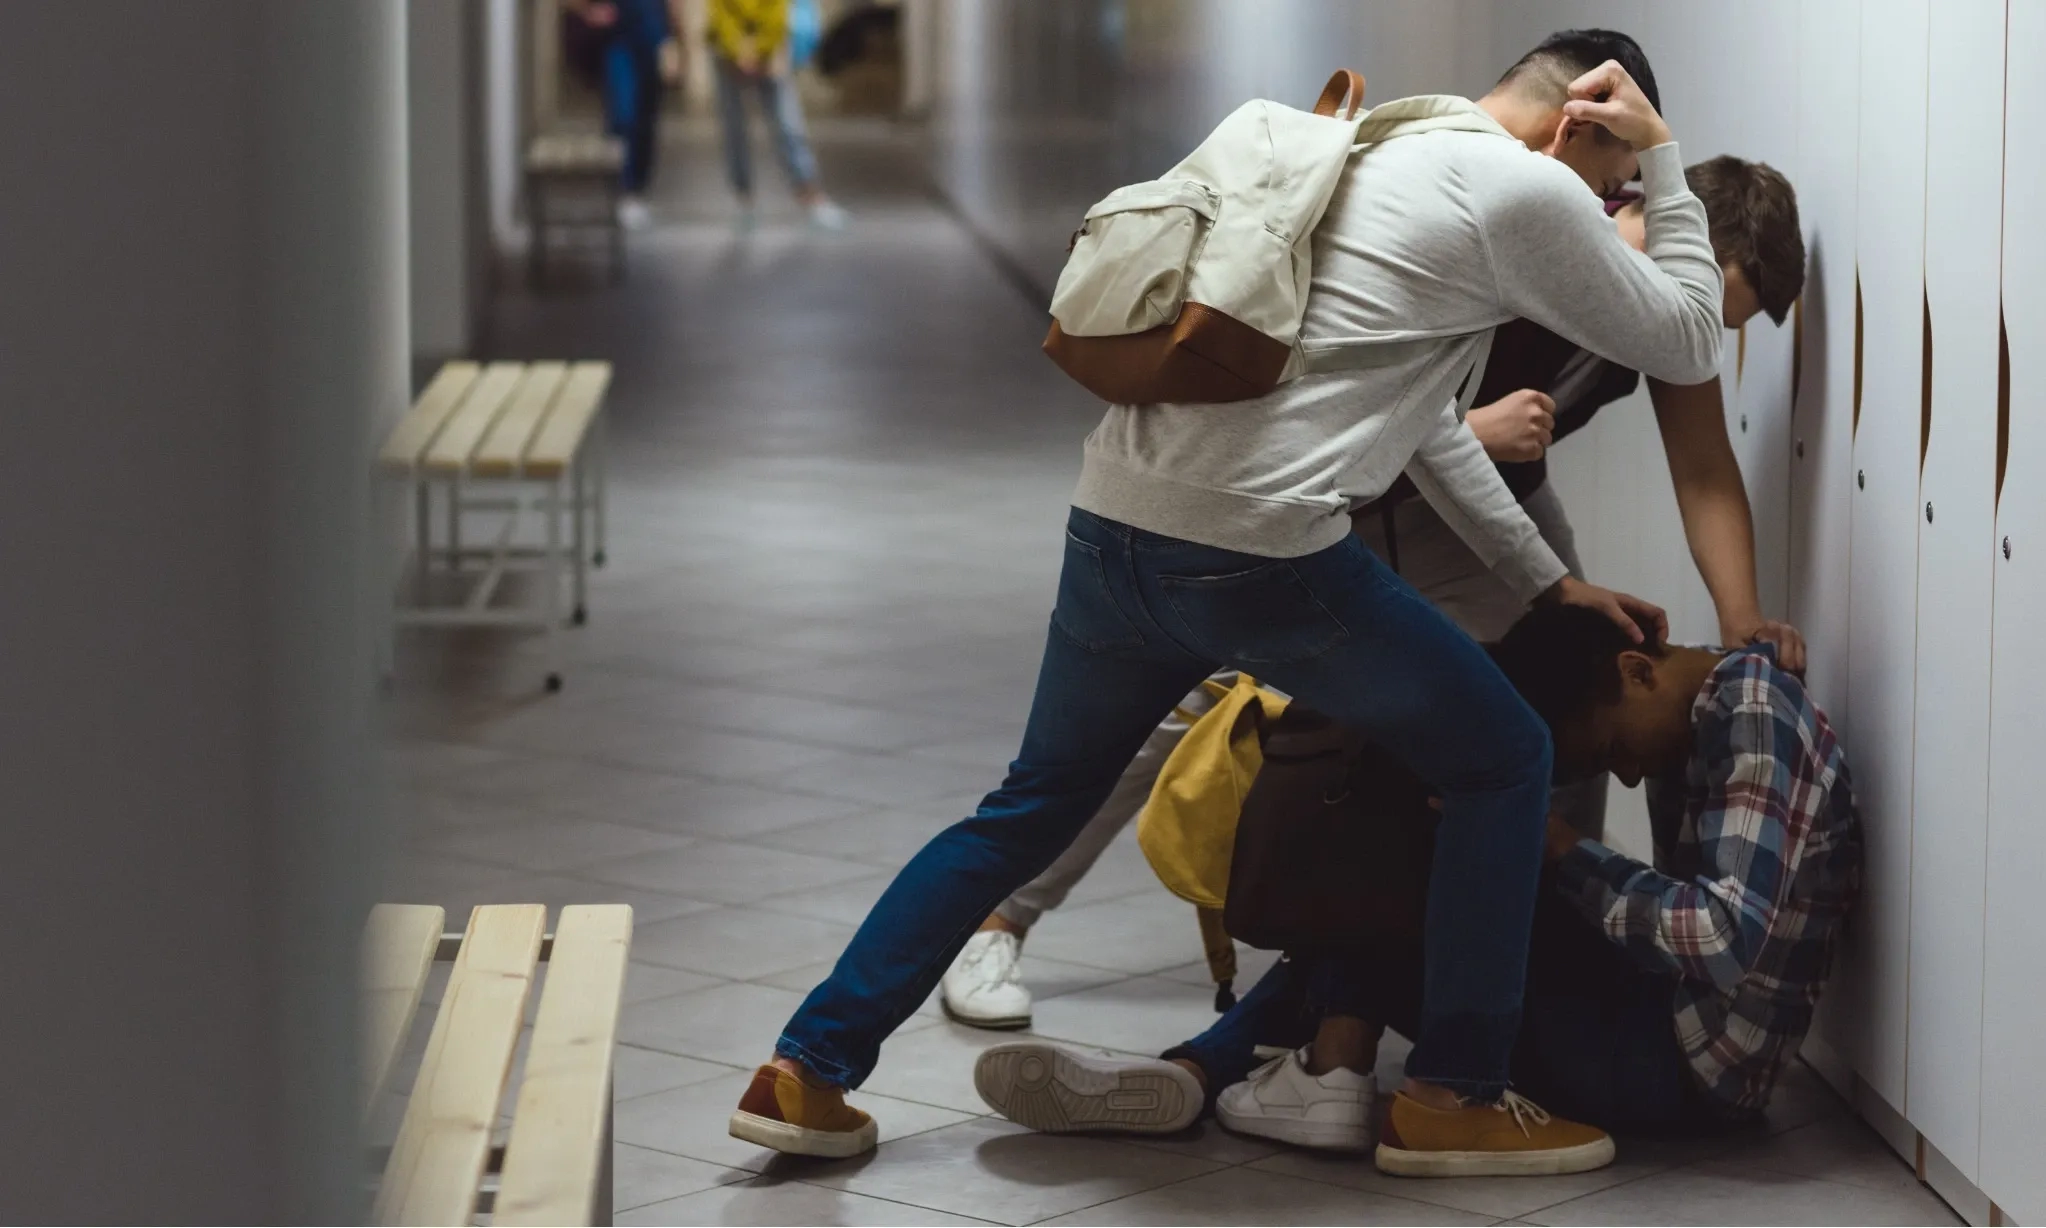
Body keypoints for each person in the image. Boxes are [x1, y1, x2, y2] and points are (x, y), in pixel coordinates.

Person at [728, 29, 1721, 1174]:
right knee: (1502, 755)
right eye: (1613, 184)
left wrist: (1548, 583)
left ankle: (807, 1067)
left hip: (1116, 522)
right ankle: (1456, 1091)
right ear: (1580, 125)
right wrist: (1671, 158)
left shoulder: (1372, 144)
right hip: (1261, 552)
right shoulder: (1521, 187)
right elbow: (1688, 333)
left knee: (1029, 803)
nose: (1605, 208)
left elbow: (1430, 426)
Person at [941, 155, 1809, 1030]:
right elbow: (1339, 372)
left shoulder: (1672, 312)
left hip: (1491, 509)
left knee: (1570, 696)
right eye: (1704, 304)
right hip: (1335, 486)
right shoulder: (1532, 232)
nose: (1693, 335)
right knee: (1186, 695)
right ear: (1664, 231)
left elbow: (1703, 468)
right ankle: (1000, 919)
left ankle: (1517, 971)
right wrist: (1468, 432)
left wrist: (1744, 629)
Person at [972, 604, 1862, 1171]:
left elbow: (1719, 937)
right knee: (1432, 855)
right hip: (1659, 1026)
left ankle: (1251, 1070)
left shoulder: (1748, 707)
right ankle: (1232, 1072)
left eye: (1611, 751)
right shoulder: (1702, 710)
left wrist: (1557, 850)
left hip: (1685, 1075)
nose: (1628, 777)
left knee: (1432, 861)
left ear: (1638, 670)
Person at [706, 0, 847, 230]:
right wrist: (736, 48)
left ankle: (810, 194)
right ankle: (743, 198)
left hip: (771, 47)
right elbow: (719, 9)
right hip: (727, 49)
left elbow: (777, 8)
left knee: (788, 124)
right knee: (734, 128)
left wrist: (761, 47)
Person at [562, 0, 685, 229]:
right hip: (619, 38)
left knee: (647, 120)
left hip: (652, 37)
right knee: (624, 115)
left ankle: (636, 192)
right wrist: (588, 11)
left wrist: (675, 37)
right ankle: (621, 190)